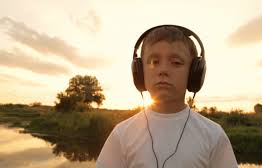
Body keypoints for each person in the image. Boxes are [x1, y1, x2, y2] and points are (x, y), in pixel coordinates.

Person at [96, 25, 238, 168]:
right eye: (154, 62)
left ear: (194, 73)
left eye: (176, 63)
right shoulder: (122, 135)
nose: (163, 70)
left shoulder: (213, 136)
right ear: (139, 72)